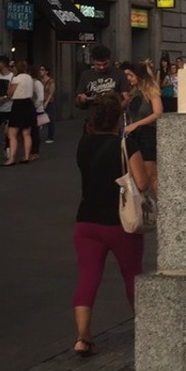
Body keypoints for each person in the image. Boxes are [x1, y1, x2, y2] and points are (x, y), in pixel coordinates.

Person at [72, 92, 149, 357]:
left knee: (88, 277)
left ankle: (83, 337)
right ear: (119, 118)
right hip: (120, 222)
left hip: (86, 222)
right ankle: (144, 328)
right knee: (132, 274)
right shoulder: (125, 145)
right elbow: (141, 183)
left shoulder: (83, 144)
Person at [121, 60, 163, 197]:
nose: (128, 79)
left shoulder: (151, 90)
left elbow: (158, 113)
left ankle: (164, 209)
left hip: (148, 134)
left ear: (139, 76)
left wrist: (136, 124)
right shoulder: (133, 92)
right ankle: (138, 208)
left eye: (131, 75)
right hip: (133, 136)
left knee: (151, 174)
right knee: (134, 175)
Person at [75, 45, 128, 119]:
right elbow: (78, 99)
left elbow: (126, 98)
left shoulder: (119, 73)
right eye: (98, 65)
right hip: (93, 118)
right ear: (93, 61)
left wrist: (117, 110)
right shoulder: (86, 74)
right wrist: (81, 99)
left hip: (113, 119)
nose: (102, 67)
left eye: (105, 64)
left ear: (109, 60)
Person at [5, 59, 36, 165]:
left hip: (18, 105)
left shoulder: (16, 78)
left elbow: (9, 93)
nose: (12, 69)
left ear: (17, 68)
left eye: (13, 67)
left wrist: (9, 86)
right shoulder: (30, 78)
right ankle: (26, 156)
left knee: (12, 133)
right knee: (27, 133)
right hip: (28, 104)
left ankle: (11, 158)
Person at [39, 64, 57, 143]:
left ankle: (50, 137)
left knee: (50, 119)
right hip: (40, 102)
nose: (41, 71)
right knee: (40, 120)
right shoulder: (39, 80)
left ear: (46, 71)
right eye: (40, 70)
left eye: (42, 70)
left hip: (49, 102)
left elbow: (51, 93)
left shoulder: (51, 81)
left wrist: (46, 102)